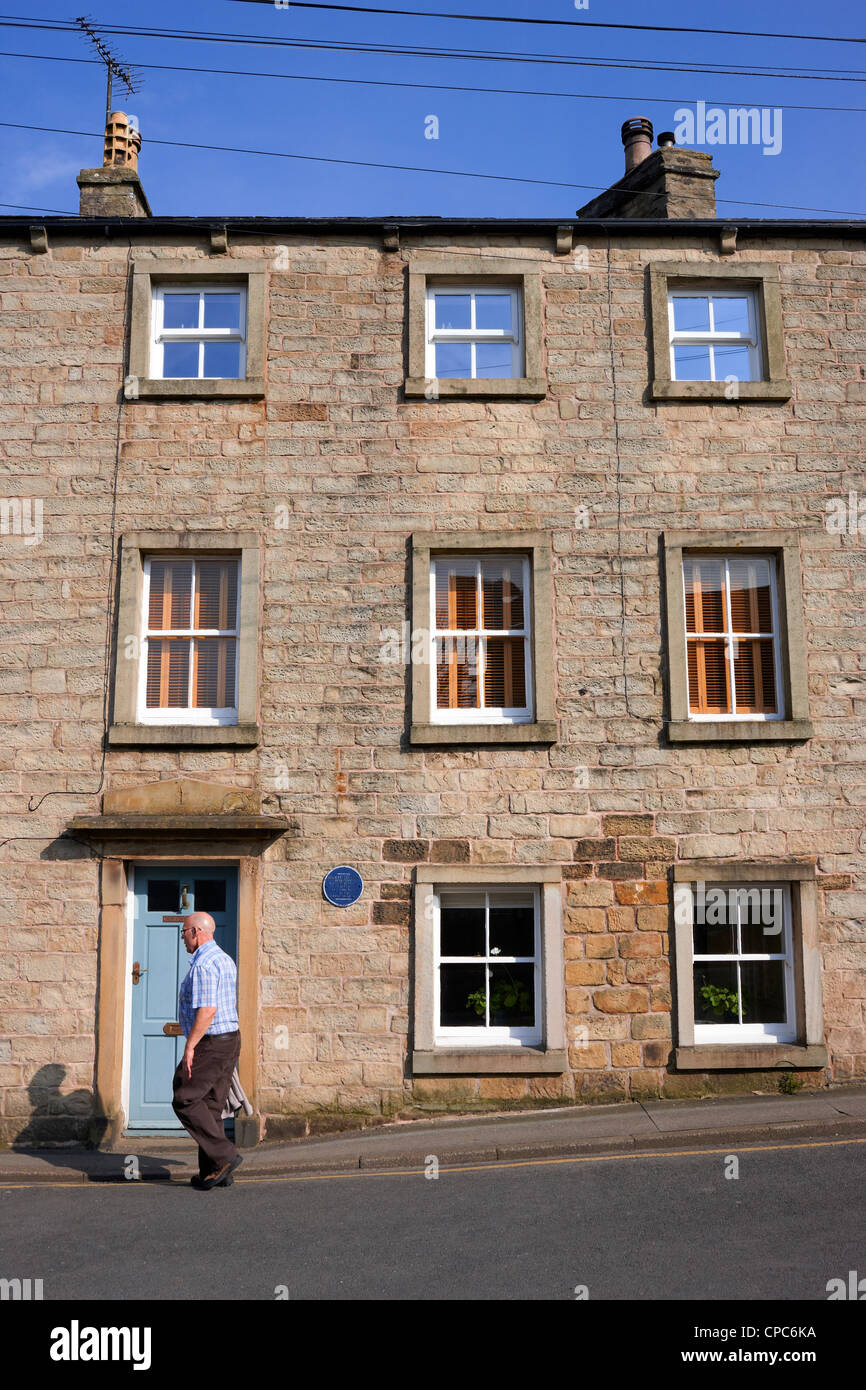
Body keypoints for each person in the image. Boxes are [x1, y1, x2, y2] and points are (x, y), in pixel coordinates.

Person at [172, 911, 243, 1191]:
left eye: (184, 932)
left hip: (211, 1042)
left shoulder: (203, 964)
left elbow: (208, 1010)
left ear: (196, 932)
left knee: (185, 1098)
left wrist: (190, 1045)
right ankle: (213, 1171)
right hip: (230, 1039)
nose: (182, 938)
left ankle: (225, 1156)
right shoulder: (224, 959)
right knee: (211, 1104)